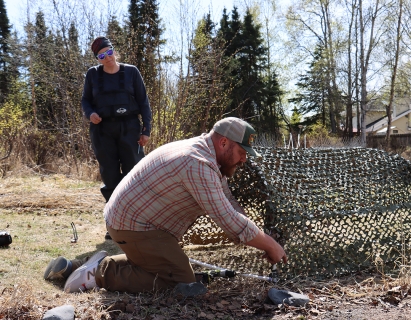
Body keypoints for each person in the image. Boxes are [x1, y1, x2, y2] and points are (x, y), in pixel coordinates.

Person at [44, 117, 287, 295]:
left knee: (170, 268)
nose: (245, 159)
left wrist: (262, 237)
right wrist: (270, 244)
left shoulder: (208, 156)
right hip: (133, 225)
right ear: (224, 143)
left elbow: (229, 204)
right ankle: (98, 275)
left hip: (136, 222)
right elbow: (227, 219)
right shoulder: (198, 163)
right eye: (242, 152)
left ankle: (77, 266)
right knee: (180, 280)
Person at [81, 36, 152, 203]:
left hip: (130, 128)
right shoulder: (93, 75)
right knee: (110, 174)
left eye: (109, 52)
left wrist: (146, 130)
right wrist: (90, 114)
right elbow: (85, 100)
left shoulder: (131, 72)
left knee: (134, 172)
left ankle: (137, 218)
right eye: (101, 56)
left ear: (115, 51)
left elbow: (143, 101)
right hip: (102, 131)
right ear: (97, 59)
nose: (107, 57)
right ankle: (114, 221)